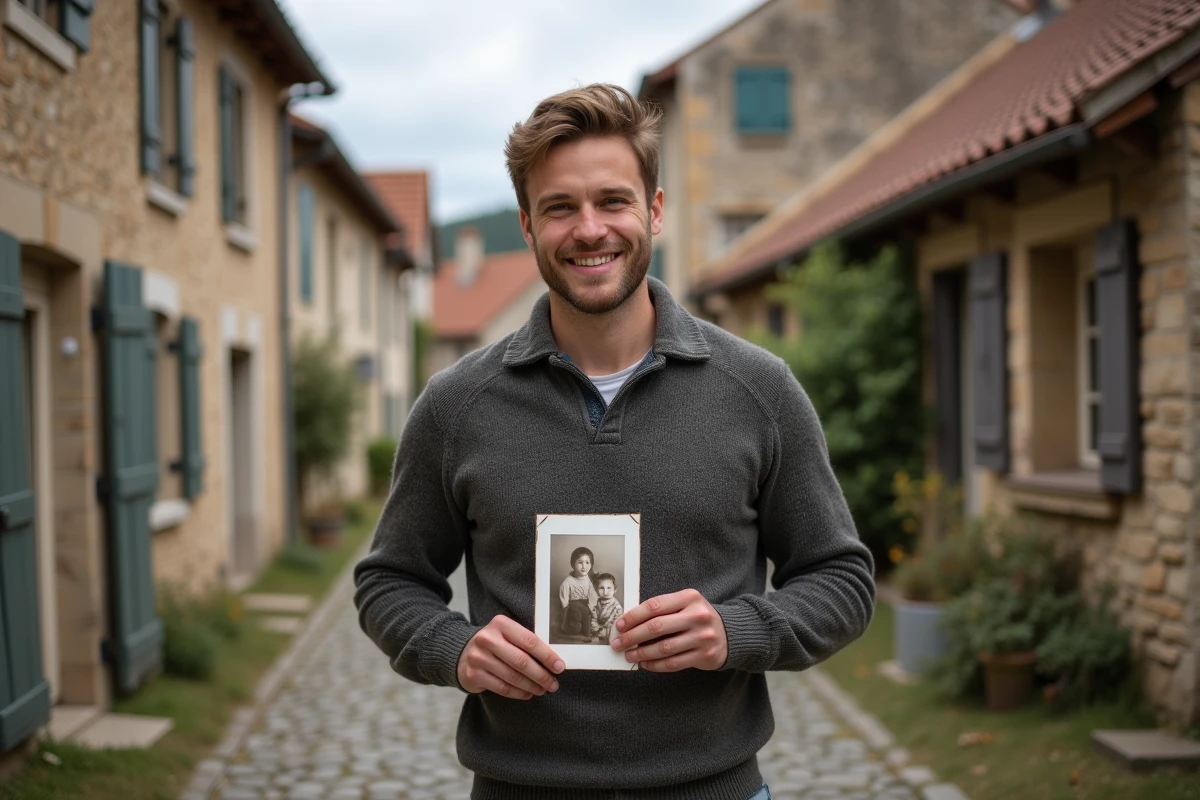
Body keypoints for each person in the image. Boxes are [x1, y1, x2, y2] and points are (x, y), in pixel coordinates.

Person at [354, 83, 875, 800]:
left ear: (654, 210)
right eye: (560, 207)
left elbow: (842, 582)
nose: (590, 229)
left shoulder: (760, 390)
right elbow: (388, 582)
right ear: (528, 227)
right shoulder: (455, 407)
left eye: (613, 200)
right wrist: (456, 648)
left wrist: (736, 631)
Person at [558, 547, 598, 637]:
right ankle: (576, 627)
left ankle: (587, 628)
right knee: (574, 629)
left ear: (591, 564)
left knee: (592, 619)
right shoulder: (568, 582)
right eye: (580, 562)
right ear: (573, 564)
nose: (584, 566)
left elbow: (593, 598)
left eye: (587, 563)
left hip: (587, 608)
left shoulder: (589, 580)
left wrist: (591, 611)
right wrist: (566, 615)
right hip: (573, 610)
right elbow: (564, 602)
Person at [590, 573, 622, 644]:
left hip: (611, 631)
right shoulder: (598, 604)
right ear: (596, 589)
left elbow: (616, 624)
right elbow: (594, 618)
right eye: (601, 588)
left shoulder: (617, 607)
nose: (605, 592)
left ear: (615, 589)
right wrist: (596, 628)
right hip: (599, 629)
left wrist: (604, 631)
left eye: (609, 588)